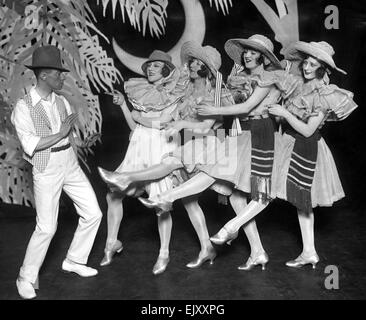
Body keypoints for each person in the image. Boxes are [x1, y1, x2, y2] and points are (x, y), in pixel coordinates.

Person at [100, 35, 285, 270]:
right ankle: (232, 249)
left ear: (208, 69)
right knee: (203, 199)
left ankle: (139, 186)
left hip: (214, 142)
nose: (193, 66)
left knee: (233, 191)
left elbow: (217, 123)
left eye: (199, 64)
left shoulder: (217, 91)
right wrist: (141, 117)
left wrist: (198, 120)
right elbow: (166, 116)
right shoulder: (186, 90)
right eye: (192, 63)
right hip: (195, 140)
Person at [211, 41, 357, 268]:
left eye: (313, 65)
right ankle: (309, 252)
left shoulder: (324, 94)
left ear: (323, 70)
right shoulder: (297, 85)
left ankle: (231, 227)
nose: (307, 67)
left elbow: (308, 130)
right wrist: (277, 115)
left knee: (271, 192)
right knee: (301, 203)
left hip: (307, 147)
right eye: (306, 62)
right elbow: (284, 116)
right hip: (287, 142)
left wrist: (284, 115)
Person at [99, 42, 229, 273]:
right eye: (149, 65)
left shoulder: (180, 94)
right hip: (140, 147)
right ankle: (111, 242)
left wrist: (142, 118)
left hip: (164, 147)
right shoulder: (158, 92)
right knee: (114, 196)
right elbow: (136, 127)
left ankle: (165, 253)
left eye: (157, 66)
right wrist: (125, 109)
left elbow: (165, 124)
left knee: (166, 201)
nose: (150, 69)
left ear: (166, 70)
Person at [11, 45, 103, 299]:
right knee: (47, 227)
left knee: (93, 213)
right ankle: (25, 277)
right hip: (46, 167)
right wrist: (61, 134)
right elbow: (31, 144)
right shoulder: (24, 107)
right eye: (58, 74)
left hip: (69, 162)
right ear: (43, 76)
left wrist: (80, 142)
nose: (63, 77)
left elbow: (67, 136)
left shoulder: (61, 100)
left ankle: (74, 259)